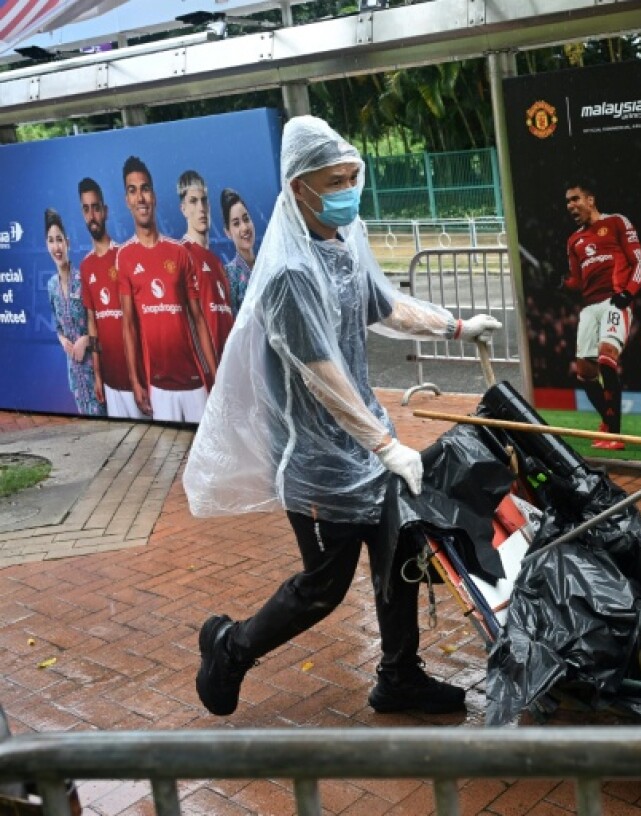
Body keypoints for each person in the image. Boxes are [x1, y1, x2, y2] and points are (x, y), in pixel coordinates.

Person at [182, 115, 501, 717]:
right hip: (318, 462)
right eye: (337, 179)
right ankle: (231, 648)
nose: (350, 188)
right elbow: (321, 375)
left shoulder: (341, 238)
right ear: (299, 185)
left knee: (401, 550)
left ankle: (399, 676)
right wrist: (386, 445)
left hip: (364, 441)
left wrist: (456, 327)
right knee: (324, 588)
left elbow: (386, 306)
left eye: (354, 175)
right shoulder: (288, 274)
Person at [116, 156, 217, 422]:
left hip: (195, 381)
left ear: (154, 196)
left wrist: (215, 375)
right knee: (168, 459)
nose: (140, 197)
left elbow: (198, 319)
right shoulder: (124, 257)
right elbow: (128, 325)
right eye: (132, 190)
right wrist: (136, 381)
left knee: (203, 457)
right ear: (127, 200)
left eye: (145, 188)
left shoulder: (179, 253)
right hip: (158, 387)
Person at [562, 180, 641, 450]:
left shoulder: (617, 222)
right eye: (567, 202)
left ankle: (615, 434)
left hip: (615, 299)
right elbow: (577, 281)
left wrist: (629, 293)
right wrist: (560, 282)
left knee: (607, 356)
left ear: (590, 200)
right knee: (585, 372)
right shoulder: (574, 240)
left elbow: (639, 263)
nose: (571, 205)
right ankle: (607, 425)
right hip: (589, 307)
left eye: (575, 199)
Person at [77, 178, 142, 418]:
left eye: (96, 207)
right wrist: (97, 374)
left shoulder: (124, 255)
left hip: (137, 377)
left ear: (105, 211)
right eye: (86, 209)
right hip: (111, 381)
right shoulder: (85, 267)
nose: (92, 215)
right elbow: (92, 322)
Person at [44, 208, 103, 416]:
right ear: (46, 245)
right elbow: (58, 326)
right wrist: (62, 340)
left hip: (95, 373)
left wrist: (86, 340)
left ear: (67, 242)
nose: (56, 246)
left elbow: (102, 324)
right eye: (51, 240)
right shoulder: (51, 286)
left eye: (59, 239)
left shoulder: (83, 279)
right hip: (75, 378)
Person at [178, 170, 235, 364]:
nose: (201, 208)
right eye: (193, 201)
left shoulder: (218, 263)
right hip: (205, 375)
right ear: (183, 208)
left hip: (229, 370)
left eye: (204, 200)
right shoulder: (181, 254)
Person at [220, 187, 257, 313]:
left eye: (246, 219)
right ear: (227, 232)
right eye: (236, 223)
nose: (244, 227)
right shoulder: (227, 276)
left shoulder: (267, 265)